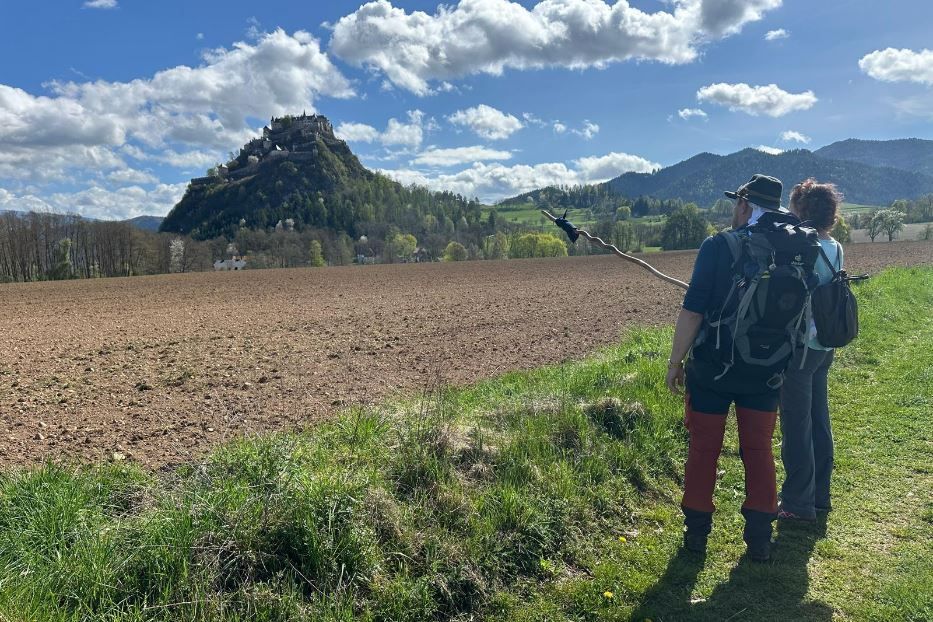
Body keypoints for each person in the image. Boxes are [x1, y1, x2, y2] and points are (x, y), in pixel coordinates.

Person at [665, 174, 814, 562]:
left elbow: (693, 310)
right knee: (759, 449)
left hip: (713, 369)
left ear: (744, 205)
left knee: (703, 449)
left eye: (737, 204)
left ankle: (696, 536)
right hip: (766, 370)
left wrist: (675, 362)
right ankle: (760, 541)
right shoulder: (795, 248)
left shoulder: (718, 246)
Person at [778, 179, 845, 521]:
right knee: (820, 420)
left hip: (801, 348)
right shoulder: (836, 247)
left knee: (796, 425)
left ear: (802, 210)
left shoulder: (803, 246)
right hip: (825, 346)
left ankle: (796, 503)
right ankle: (820, 496)